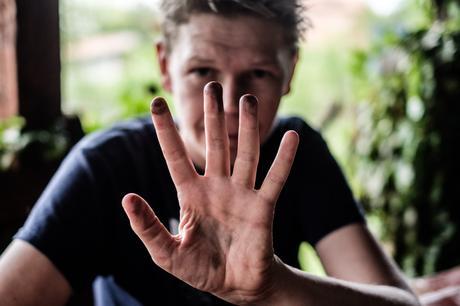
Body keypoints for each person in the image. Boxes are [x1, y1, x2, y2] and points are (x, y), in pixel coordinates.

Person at [0, 1, 420, 305]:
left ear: (290, 70)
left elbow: (399, 302)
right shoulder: (107, 165)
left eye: (258, 73)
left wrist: (275, 287)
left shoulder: (294, 152)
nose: (231, 102)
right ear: (164, 65)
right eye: (202, 72)